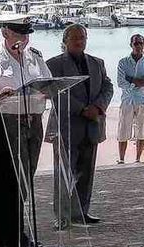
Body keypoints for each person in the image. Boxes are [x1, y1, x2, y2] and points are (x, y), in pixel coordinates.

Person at [0, 15, 52, 247]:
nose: (24, 39)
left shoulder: (35, 56)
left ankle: (17, 234)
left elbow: (48, 83)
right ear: (6, 32)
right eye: (19, 34)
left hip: (30, 122)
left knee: (23, 178)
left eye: (27, 34)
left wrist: (47, 92)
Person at [46, 23, 114, 225]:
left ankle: (81, 212)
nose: (79, 41)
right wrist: (82, 109)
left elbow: (108, 87)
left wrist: (98, 107)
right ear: (65, 41)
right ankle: (63, 217)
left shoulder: (97, 63)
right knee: (64, 174)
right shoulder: (53, 64)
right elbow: (55, 92)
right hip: (67, 127)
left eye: (82, 37)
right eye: (74, 38)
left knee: (86, 173)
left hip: (92, 125)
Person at [116, 34, 144, 164]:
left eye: (140, 43)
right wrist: (138, 82)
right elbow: (121, 82)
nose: (138, 46)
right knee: (123, 129)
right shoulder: (123, 62)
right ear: (131, 45)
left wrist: (131, 80)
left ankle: (138, 158)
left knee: (142, 130)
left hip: (143, 100)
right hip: (127, 100)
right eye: (136, 43)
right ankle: (121, 158)